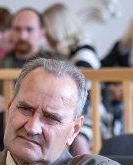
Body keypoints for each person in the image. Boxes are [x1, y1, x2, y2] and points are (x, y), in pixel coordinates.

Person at [0, 8, 53, 150]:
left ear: (42, 33)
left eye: (29, 30)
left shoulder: (56, 67)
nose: (22, 35)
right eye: (17, 29)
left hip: (40, 137)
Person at [43, 2, 100, 154]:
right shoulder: (56, 52)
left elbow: (82, 92)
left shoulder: (84, 51)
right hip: (67, 108)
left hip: (90, 111)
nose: (44, 33)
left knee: (78, 137)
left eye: (46, 27)